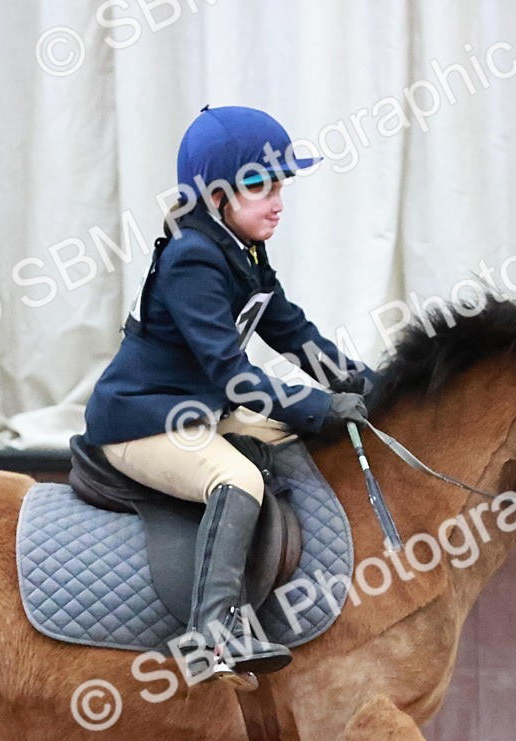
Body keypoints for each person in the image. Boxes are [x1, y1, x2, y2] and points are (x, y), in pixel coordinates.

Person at [83, 105, 375, 680]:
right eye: (260, 185)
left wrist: (364, 384)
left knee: (299, 432)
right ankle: (209, 636)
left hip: (197, 412)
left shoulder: (241, 249)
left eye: (280, 184)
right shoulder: (194, 258)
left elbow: (292, 331)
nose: (278, 200)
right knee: (236, 478)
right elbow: (235, 378)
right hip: (142, 423)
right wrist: (320, 404)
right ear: (217, 197)